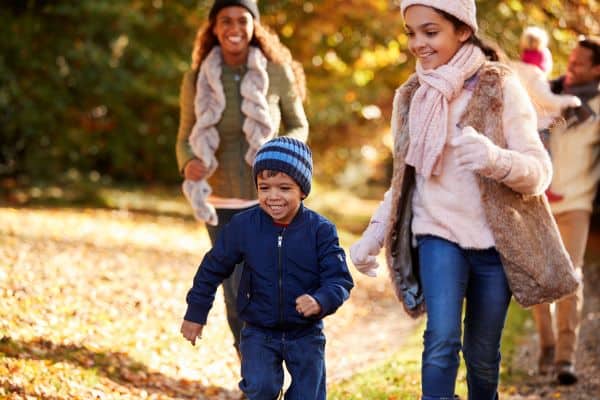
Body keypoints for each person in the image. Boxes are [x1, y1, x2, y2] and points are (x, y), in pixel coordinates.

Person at [349, 1, 579, 399]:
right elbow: (402, 182)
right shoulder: (411, 97)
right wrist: (373, 237)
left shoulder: (500, 86)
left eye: (430, 32)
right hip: (437, 234)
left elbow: (539, 172)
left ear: (463, 31)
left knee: (483, 354)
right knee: (441, 340)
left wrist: (495, 159)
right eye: (411, 33)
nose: (418, 43)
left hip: (494, 242)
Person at [175, 0, 309, 356]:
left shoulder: (277, 71)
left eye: (241, 20)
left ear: (254, 26)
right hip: (219, 203)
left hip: (266, 198)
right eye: (225, 21)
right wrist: (189, 161)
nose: (233, 28)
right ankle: (253, 372)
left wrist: (282, 153)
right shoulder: (196, 78)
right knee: (235, 291)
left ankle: (279, 358)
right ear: (214, 28)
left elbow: (298, 123)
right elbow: (185, 133)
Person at [180, 137, 354, 400]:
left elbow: (339, 279)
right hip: (259, 330)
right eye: (264, 187)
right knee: (260, 388)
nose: (273, 196)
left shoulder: (320, 230)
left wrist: (320, 300)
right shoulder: (244, 226)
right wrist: (196, 313)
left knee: (309, 396)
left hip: (305, 333)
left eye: (284, 188)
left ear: (302, 190)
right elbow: (211, 268)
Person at [531, 36, 600, 385]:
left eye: (579, 63)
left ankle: (564, 359)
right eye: (569, 59)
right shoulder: (550, 97)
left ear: (597, 69)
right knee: (541, 277)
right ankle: (546, 344)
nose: (570, 67)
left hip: (576, 204)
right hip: (539, 201)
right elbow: (528, 135)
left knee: (569, 276)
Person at [509, 26, 581, 202]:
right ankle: (546, 188)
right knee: (546, 155)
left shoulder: (515, 68)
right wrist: (570, 101)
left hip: (517, 121)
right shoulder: (535, 74)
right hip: (538, 125)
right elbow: (546, 99)